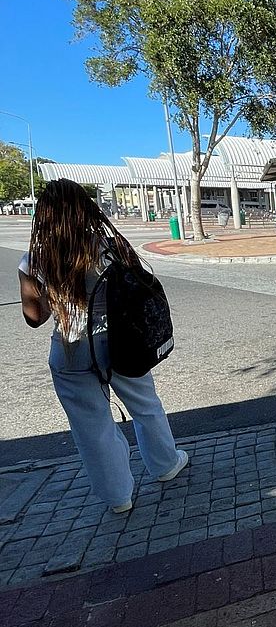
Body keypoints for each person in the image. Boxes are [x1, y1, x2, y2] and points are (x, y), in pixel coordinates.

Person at [17, 180, 188, 513]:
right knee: (145, 405)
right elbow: (137, 290)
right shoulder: (111, 247)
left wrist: (50, 293)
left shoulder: (34, 259)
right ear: (85, 210)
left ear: (44, 216)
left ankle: (118, 497)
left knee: (92, 428)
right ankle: (166, 464)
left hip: (69, 350)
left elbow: (34, 318)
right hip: (120, 343)